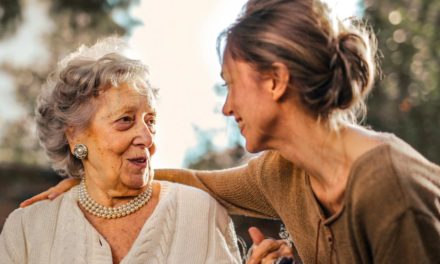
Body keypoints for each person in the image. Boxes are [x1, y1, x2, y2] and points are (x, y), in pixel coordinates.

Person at [21, 0, 440, 263]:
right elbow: (202, 182)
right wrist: (91, 180)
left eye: (231, 84)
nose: (227, 106)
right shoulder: (282, 172)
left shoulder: (391, 189)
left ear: (275, 81)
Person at [0, 38, 242, 264]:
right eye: (126, 120)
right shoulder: (26, 230)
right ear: (75, 136)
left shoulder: (200, 212)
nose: (147, 138)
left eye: (151, 121)